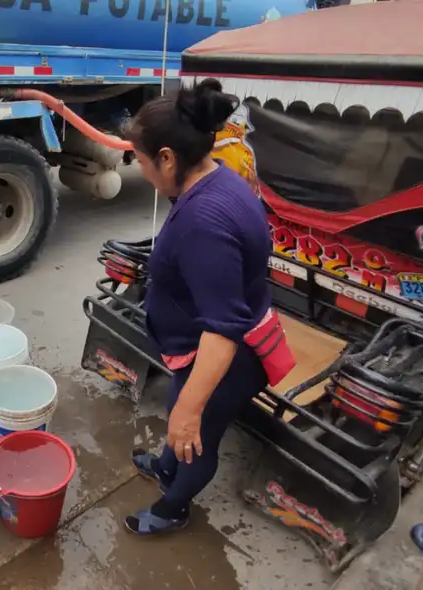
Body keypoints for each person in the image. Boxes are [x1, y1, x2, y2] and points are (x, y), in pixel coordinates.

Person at [123, 79, 273, 535]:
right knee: (179, 423)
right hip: (195, 349)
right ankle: (165, 463)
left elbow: (224, 331)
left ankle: (174, 505)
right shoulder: (218, 176)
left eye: (143, 161)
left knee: (195, 439)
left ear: (168, 157)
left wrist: (190, 409)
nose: (143, 171)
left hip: (222, 359)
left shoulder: (205, 222)